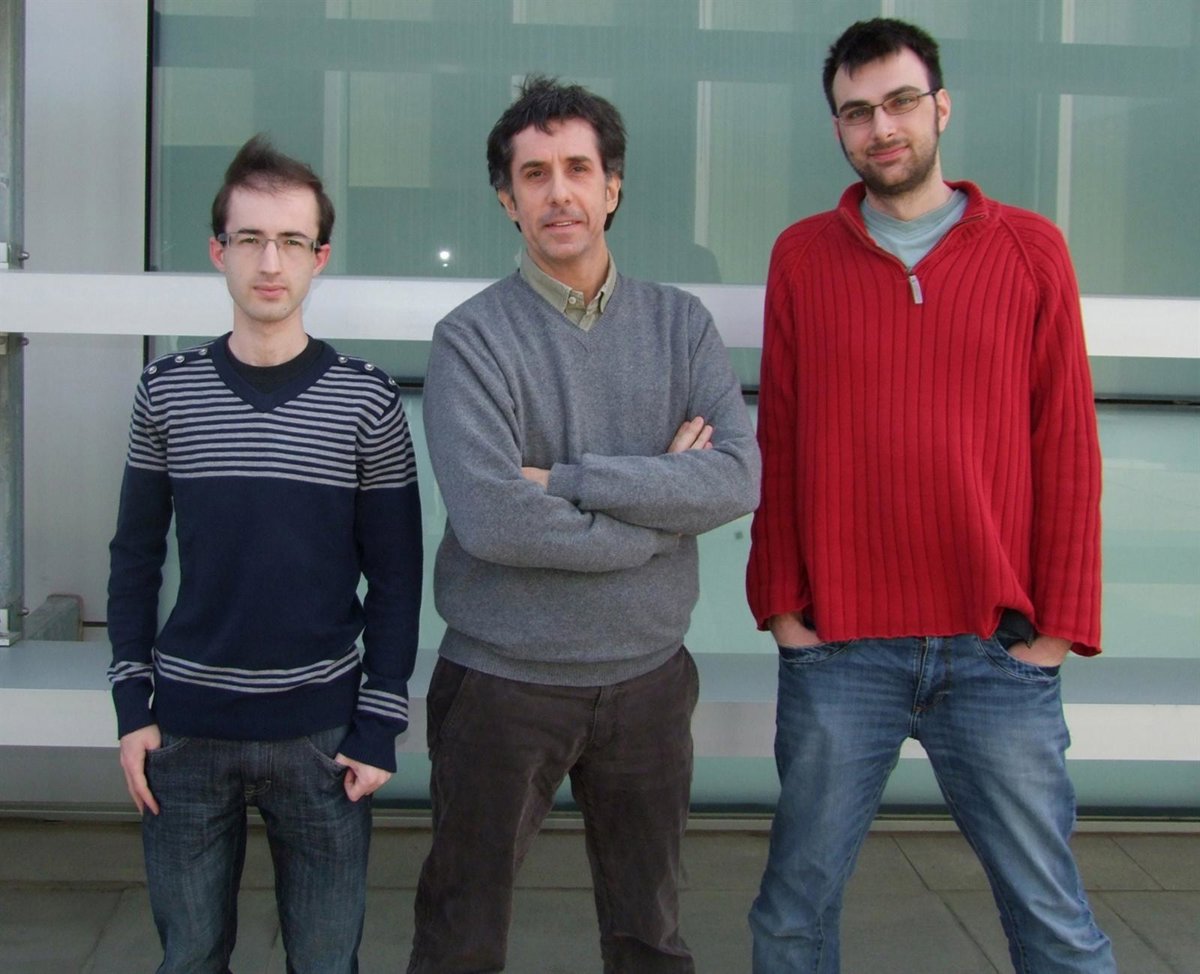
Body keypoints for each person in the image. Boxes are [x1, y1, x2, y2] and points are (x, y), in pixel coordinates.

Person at [745, 18, 1116, 974]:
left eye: (901, 102)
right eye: (856, 111)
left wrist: (1058, 632)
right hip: (842, 650)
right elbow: (780, 438)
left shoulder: (1031, 250)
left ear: (941, 107)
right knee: (790, 919)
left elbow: (1067, 448)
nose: (882, 127)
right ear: (838, 127)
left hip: (994, 647)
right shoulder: (802, 257)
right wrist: (783, 608)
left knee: (1055, 923)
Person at [408, 76, 760, 974]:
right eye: (535, 174)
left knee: (650, 937)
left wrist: (567, 480)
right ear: (507, 198)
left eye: (577, 169)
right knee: (460, 938)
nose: (558, 192)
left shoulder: (681, 325)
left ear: (612, 187)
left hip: (649, 683)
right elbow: (493, 519)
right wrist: (657, 518)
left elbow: (735, 476)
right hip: (502, 687)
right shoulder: (471, 339)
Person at [107, 134, 423, 973]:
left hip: (322, 737)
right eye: (249, 238)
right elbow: (134, 557)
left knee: (324, 961)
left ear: (320, 257)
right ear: (219, 251)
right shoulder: (166, 391)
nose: (270, 261)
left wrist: (380, 723)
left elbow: (397, 576)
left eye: (290, 240)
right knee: (188, 957)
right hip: (185, 733)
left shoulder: (367, 401)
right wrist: (132, 709)